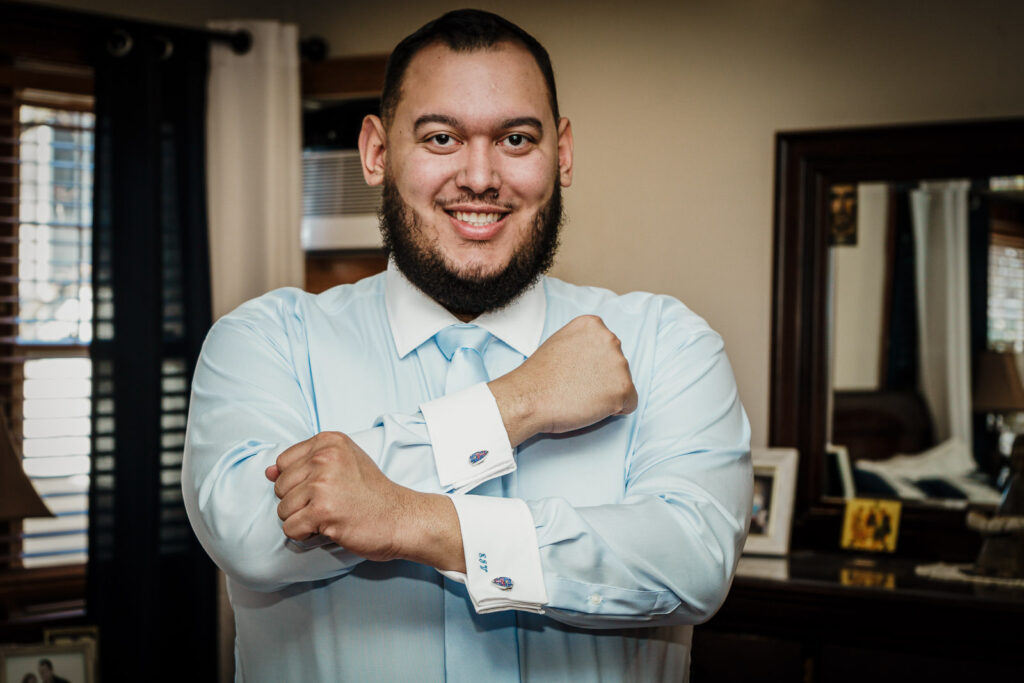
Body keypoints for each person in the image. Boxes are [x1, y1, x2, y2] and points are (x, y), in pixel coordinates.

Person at [182, 9, 751, 682]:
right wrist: (520, 402)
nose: (480, 176)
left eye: (516, 139)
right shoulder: (264, 342)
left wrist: (409, 519)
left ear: (563, 153)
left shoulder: (665, 345)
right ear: (376, 152)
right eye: (442, 137)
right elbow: (250, 533)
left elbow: (693, 563)